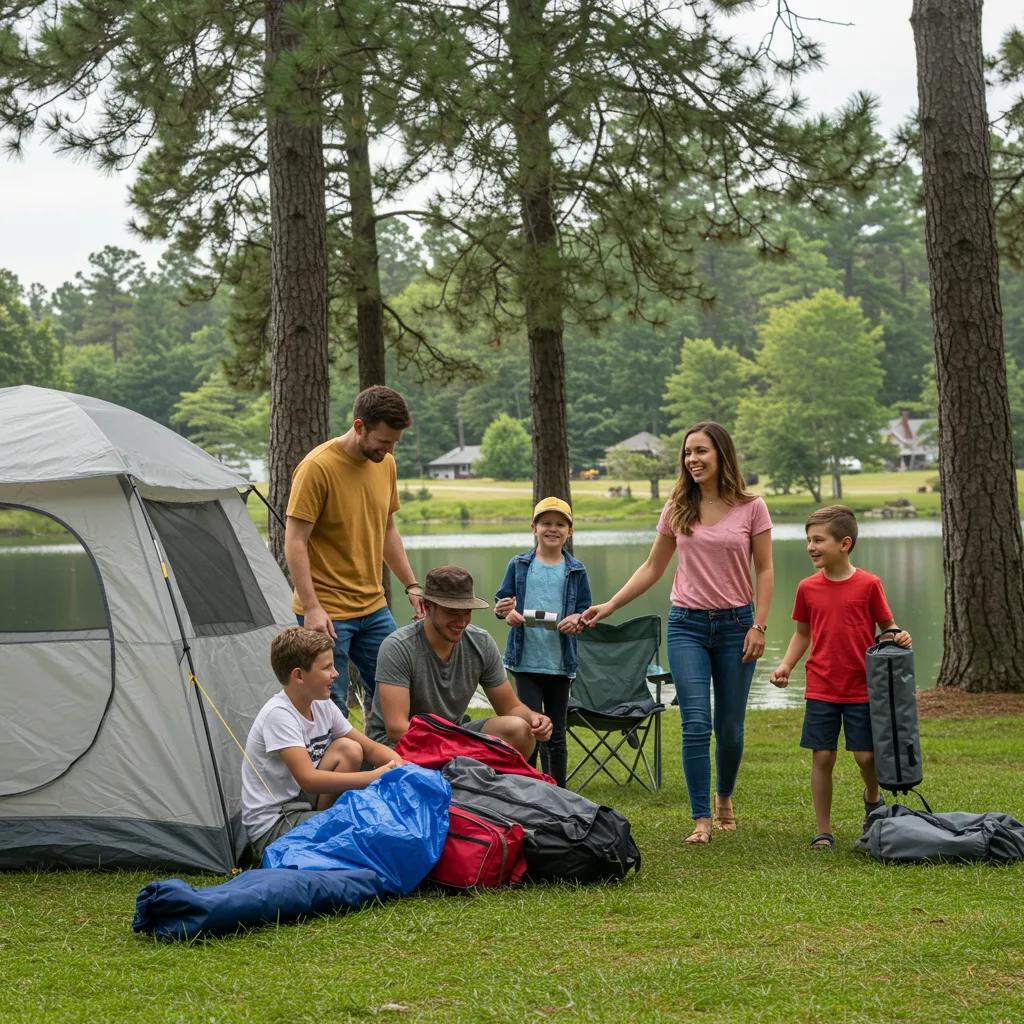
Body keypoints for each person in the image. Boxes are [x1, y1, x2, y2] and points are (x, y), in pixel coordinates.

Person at [582, 421, 773, 846]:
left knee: (730, 727)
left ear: (721, 454)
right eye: (688, 453)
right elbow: (653, 567)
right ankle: (702, 818)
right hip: (687, 624)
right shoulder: (677, 507)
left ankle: (724, 797)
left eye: (701, 451)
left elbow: (765, 569)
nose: (693, 460)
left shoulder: (752, 507)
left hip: (737, 626)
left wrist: (759, 625)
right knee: (695, 723)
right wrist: (610, 604)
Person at [768, 505, 912, 851]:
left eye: (819, 540)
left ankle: (872, 797)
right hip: (821, 686)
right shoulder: (807, 588)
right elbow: (802, 633)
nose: (811, 547)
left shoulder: (869, 584)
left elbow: (887, 627)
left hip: (863, 687)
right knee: (823, 757)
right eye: (808, 540)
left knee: (865, 756)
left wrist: (899, 635)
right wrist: (786, 665)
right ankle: (823, 830)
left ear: (844, 543)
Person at [284, 385, 424, 715]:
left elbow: (387, 529)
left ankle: (386, 765)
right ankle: (333, 768)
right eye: (383, 441)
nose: (389, 450)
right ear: (359, 426)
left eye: (394, 443)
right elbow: (294, 541)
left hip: (374, 608)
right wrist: (312, 606)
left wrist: (411, 584)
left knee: (400, 695)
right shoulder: (316, 468)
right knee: (330, 709)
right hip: (327, 611)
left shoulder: (385, 463)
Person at [241, 627, 403, 863]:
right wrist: (372, 777)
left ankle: (324, 820)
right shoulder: (279, 715)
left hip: (305, 808)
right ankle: (327, 824)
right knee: (361, 826)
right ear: (299, 676)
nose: (336, 674)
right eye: (326, 667)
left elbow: (368, 747)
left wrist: (401, 764)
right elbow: (308, 779)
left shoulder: (321, 704)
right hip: (275, 826)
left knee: (349, 748)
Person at [367, 565, 553, 759]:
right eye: (452, 612)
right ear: (428, 606)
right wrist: (459, 747)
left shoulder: (481, 642)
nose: (462, 621)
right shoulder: (397, 647)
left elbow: (510, 708)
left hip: (453, 736)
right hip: (399, 747)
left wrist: (533, 717)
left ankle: (479, 779)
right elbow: (397, 729)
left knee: (519, 730)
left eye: (467, 611)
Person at [493, 496, 591, 787]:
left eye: (560, 524)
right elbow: (503, 601)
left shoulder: (576, 570)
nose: (553, 529)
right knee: (529, 727)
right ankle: (528, 790)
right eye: (546, 523)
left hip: (560, 664)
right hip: (525, 662)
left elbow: (585, 612)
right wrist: (507, 612)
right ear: (533, 528)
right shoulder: (520, 564)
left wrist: (578, 620)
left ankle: (559, 793)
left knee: (557, 733)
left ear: (569, 531)